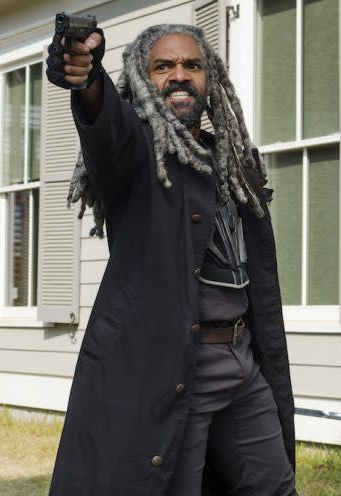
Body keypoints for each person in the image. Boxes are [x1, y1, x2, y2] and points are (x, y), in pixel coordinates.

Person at [45, 24, 297, 495]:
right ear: (142, 80)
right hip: (173, 367)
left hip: (241, 358)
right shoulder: (136, 149)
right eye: (163, 66)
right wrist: (86, 75)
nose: (179, 75)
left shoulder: (232, 158)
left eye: (192, 65)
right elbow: (106, 124)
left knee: (275, 483)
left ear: (210, 77)